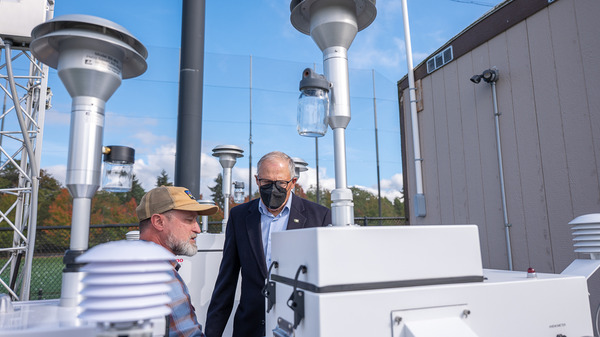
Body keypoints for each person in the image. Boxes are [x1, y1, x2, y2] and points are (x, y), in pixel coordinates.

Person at [205, 151, 332, 337]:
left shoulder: (319, 216)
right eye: (266, 182)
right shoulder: (239, 217)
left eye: (281, 183)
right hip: (249, 328)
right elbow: (226, 281)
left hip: (299, 327)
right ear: (257, 180)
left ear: (293, 183)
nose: (273, 189)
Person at [136, 185, 219, 337]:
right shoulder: (161, 276)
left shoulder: (130, 262)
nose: (197, 229)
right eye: (189, 220)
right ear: (159, 222)